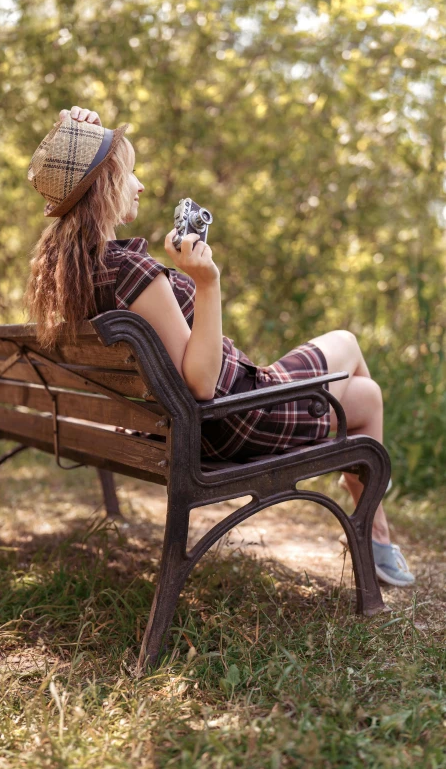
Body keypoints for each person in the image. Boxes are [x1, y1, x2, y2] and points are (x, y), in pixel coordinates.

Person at [25, 105, 415, 587]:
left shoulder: (79, 275)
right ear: (104, 186)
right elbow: (201, 384)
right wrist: (207, 283)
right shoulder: (132, 272)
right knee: (358, 367)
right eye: (129, 172)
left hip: (191, 422)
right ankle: (372, 518)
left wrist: (74, 135)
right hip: (233, 418)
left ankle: (372, 518)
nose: (140, 184)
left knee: (362, 392)